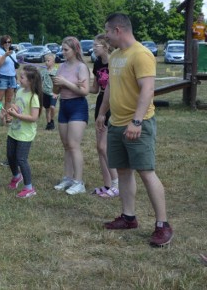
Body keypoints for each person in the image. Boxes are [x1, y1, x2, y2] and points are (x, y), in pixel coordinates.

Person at [97, 13, 173, 247]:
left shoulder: (141, 54)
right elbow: (110, 86)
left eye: (108, 32)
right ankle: (129, 217)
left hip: (138, 124)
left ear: (118, 30)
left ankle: (163, 225)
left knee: (145, 171)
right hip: (117, 123)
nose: (106, 36)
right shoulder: (117, 56)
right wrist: (102, 112)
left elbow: (147, 90)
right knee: (123, 170)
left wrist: (137, 122)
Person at [52, 36, 90, 195]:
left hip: (78, 106)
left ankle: (78, 182)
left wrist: (65, 83)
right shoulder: (61, 67)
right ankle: (67, 178)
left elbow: (85, 91)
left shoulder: (81, 67)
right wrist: (56, 85)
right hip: (64, 106)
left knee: (74, 145)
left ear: (75, 50)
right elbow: (55, 92)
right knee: (66, 145)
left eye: (66, 50)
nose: (63, 52)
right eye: (62, 49)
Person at [6, 65, 42, 198]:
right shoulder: (20, 91)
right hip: (14, 130)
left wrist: (16, 115)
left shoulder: (34, 97)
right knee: (10, 156)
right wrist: (13, 108)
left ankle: (29, 188)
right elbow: (19, 107)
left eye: (22, 77)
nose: (19, 78)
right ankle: (16, 176)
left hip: (25, 134)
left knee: (21, 159)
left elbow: (33, 117)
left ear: (31, 81)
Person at [89, 34, 119, 198]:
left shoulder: (115, 61)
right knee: (99, 148)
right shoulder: (97, 63)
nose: (93, 48)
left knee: (104, 147)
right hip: (101, 102)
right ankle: (108, 184)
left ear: (106, 46)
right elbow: (95, 88)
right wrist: (77, 86)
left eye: (96, 45)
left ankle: (116, 184)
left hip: (113, 104)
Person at [0, 36, 18, 110]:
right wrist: (5, 55)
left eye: (9, 42)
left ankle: (7, 116)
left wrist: (15, 76)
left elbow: (13, 66)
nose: (7, 44)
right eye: (5, 42)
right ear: (2, 43)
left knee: (9, 99)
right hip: (2, 77)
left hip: (12, 77)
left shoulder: (13, 52)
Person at [39, 53, 58, 130]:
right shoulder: (43, 72)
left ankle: (52, 120)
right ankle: (49, 123)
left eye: (48, 60)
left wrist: (57, 92)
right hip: (45, 92)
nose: (46, 62)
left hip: (53, 93)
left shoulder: (56, 71)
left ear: (53, 62)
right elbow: (40, 82)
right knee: (47, 109)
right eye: (45, 61)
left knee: (52, 107)